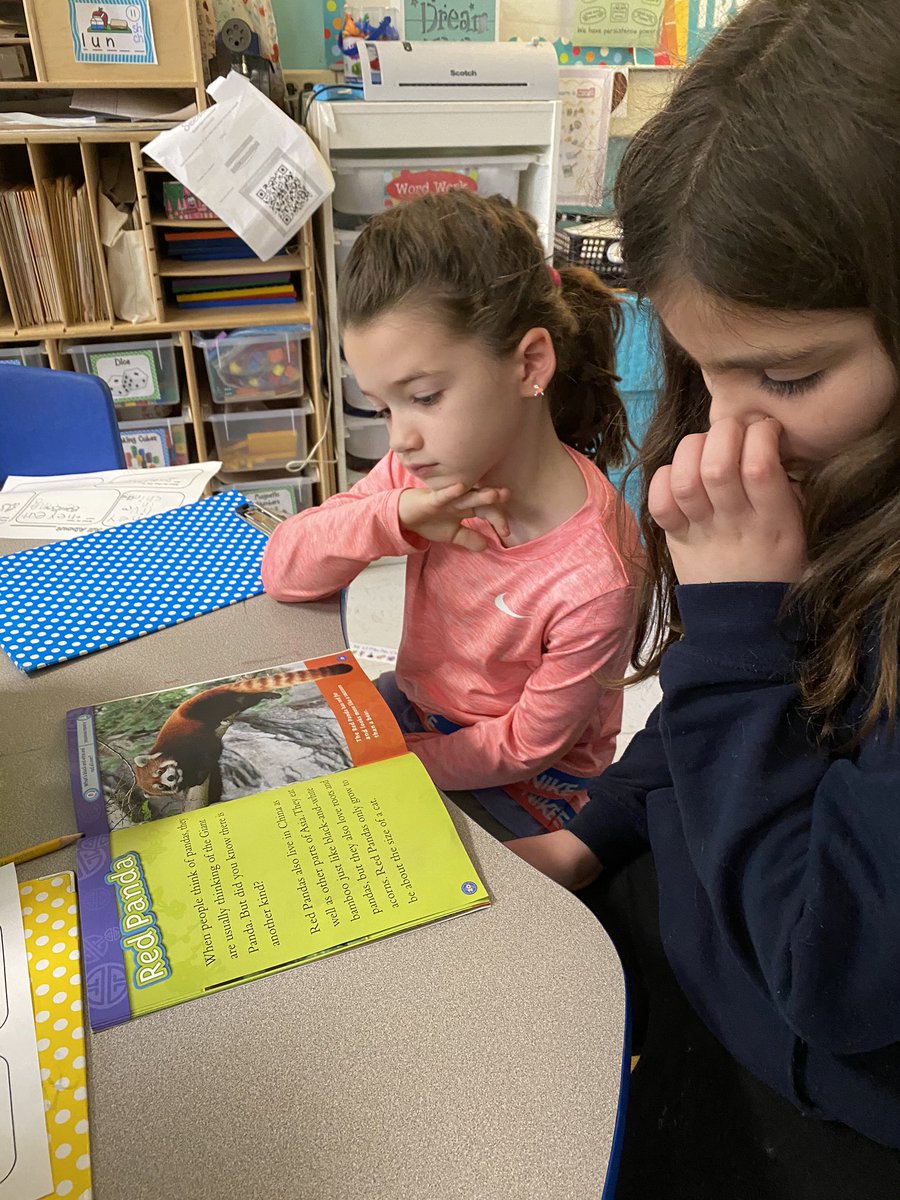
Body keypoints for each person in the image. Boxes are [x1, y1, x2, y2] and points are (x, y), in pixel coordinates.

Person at [508, 0, 900, 1195]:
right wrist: (595, 834)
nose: (727, 426)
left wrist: (734, 620)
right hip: (696, 993)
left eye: (787, 374)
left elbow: (829, 969)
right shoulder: (834, 464)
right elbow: (718, 713)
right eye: (698, 365)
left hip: (817, 1109)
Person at [261, 190, 641, 838]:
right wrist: (394, 517)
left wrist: (397, 764)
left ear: (529, 364)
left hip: (533, 786)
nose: (399, 438)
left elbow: (529, 744)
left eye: (425, 397)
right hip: (421, 713)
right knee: (270, 779)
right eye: (384, 408)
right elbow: (285, 570)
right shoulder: (422, 474)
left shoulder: (598, 573)